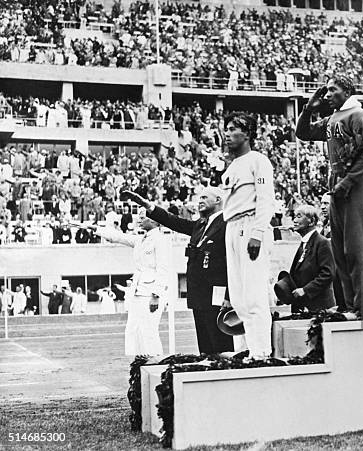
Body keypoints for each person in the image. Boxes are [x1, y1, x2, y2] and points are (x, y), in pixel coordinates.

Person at [296, 76, 363, 320]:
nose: (328, 94)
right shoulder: (333, 117)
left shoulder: (357, 115)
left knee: (358, 249)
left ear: (347, 92)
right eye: (327, 90)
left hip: (356, 183)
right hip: (338, 185)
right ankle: (349, 305)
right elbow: (305, 133)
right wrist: (309, 109)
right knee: (340, 249)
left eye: (333, 89)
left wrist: (347, 183)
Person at [122, 187, 234, 355]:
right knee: (205, 348)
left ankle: (226, 379)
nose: (200, 201)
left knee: (221, 346)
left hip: (217, 296)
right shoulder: (200, 225)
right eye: (199, 197)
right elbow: (173, 221)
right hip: (200, 296)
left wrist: (229, 296)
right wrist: (148, 206)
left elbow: (231, 262)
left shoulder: (227, 224)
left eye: (204, 197)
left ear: (218, 200)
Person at [220, 112, 275, 360]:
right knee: (239, 298)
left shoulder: (258, 161)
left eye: (234, 129)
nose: (228, 133)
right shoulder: (232, 166)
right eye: (227, 129)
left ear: (248, 134)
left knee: (254, 294)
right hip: (232, 226)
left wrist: (258, 232)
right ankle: (247, 349)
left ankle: (262, 351)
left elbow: (265, 199)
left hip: (250, 224)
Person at [90, 208, 172, 356]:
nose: (138, 220)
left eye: (142, 218)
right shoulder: (141, 239)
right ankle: (136, 362)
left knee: (149, 330)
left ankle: (156, 363)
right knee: (133, 329)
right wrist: (96, 229)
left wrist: (156, 295)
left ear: (154, 220)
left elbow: (163, 269)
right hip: (137, 290)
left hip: (150, 292)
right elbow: (118, 237)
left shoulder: (160, 240)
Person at [280, 204, 335, 313]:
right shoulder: (303, 244)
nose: (294, 220)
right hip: (303, 307)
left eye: (299, 216)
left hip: (319, 307)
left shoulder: (322, 243)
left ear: (311, 221)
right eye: (294, 216)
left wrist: (306, 290)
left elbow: (328, 274)